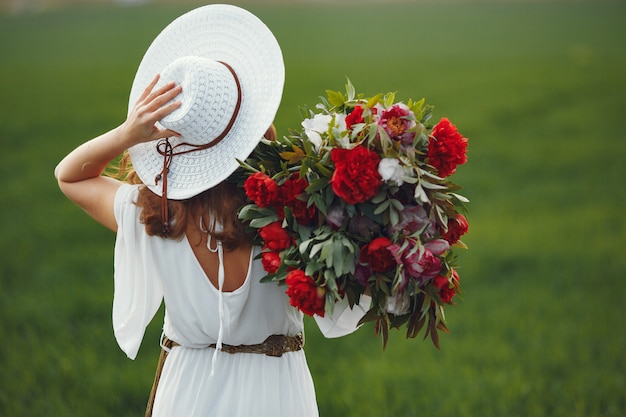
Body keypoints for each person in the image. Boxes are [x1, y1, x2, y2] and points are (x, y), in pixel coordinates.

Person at [55, 5, 370, 417]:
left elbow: (70, 177)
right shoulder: (288, 208)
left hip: (186, 388)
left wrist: (126, 133)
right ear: (251, 127)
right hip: (276, 390)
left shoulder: (151, 213)